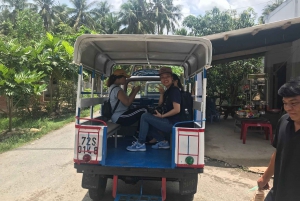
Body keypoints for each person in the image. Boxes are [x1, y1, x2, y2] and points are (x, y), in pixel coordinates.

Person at [257, 76, 300, 201]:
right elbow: (279, 152)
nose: (288, 108)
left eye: (293, 103)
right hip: (278, 192)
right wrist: (265, 178)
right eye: (285, 103)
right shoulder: (284, 121)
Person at [126, 67, 181, 151]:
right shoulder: (168, 91)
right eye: (162, 77)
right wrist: (162, 94)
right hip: (168, 120)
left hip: (172, 123)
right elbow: (160, 104)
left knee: (145, 116)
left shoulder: (174, 91)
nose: (165, 79)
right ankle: (163, 142)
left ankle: (140, 144)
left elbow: (177, 109)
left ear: (172, 78)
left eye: (167, 77)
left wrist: (162, 116)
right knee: (147, 122)